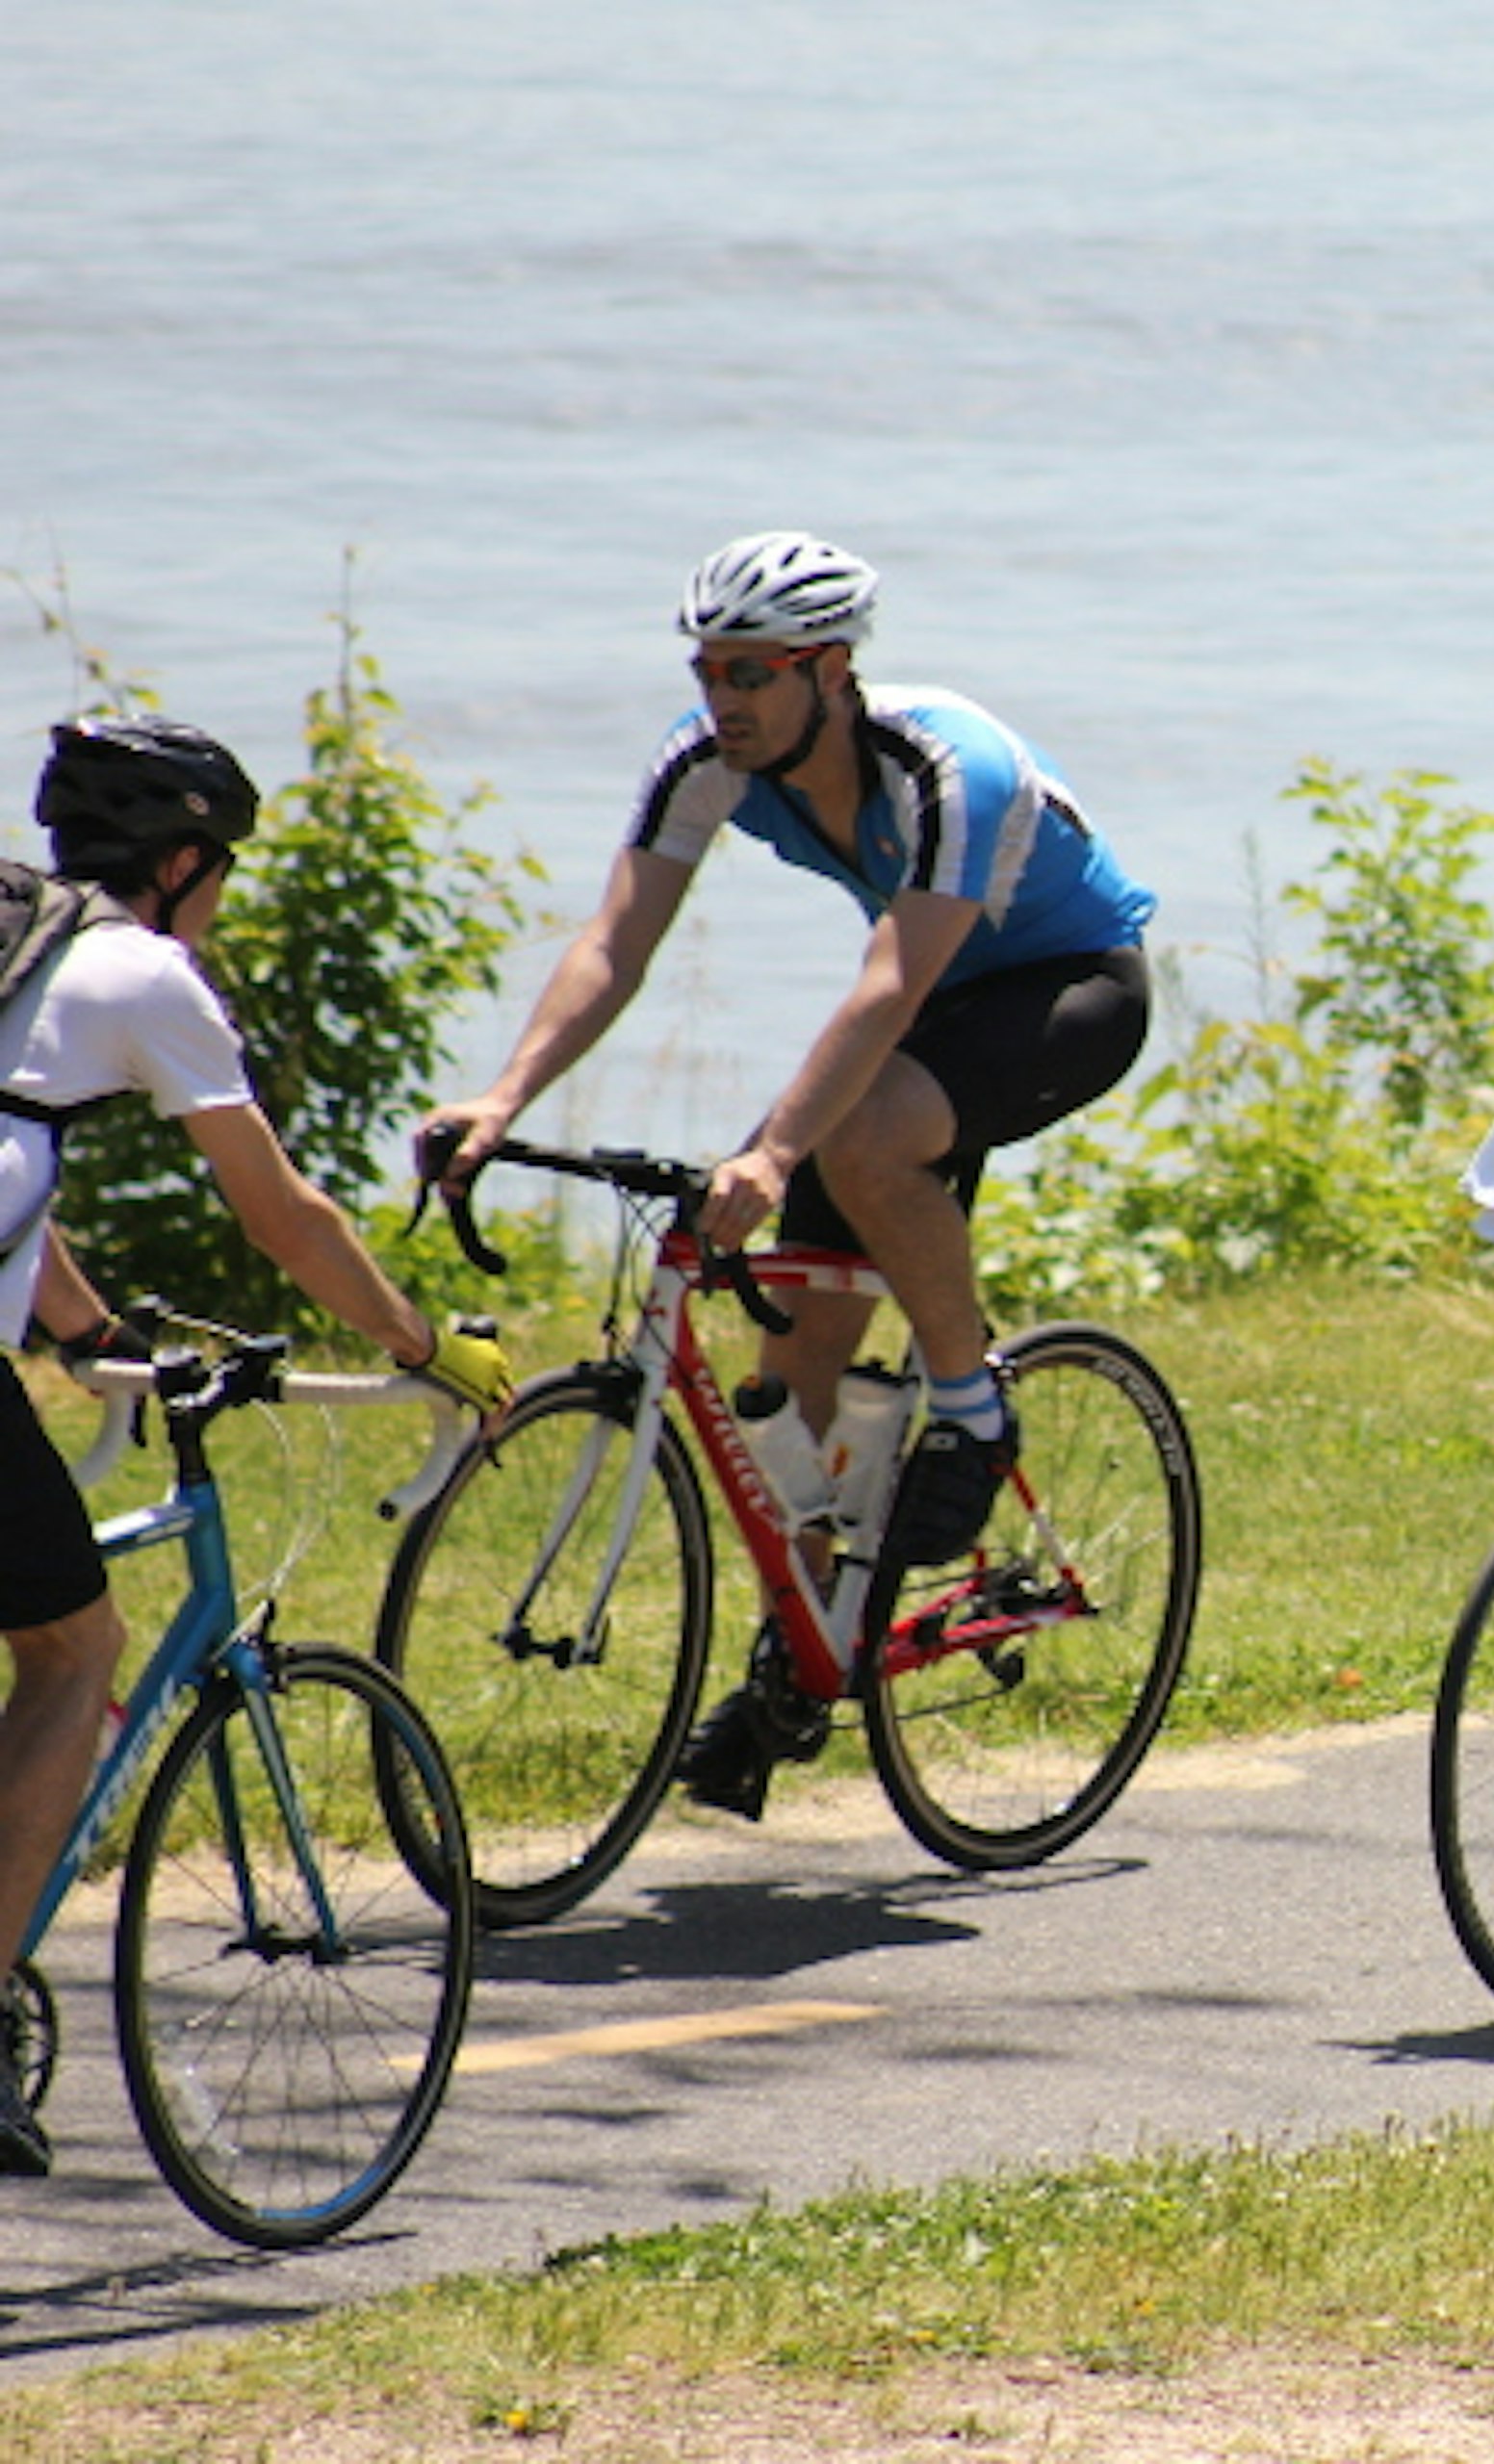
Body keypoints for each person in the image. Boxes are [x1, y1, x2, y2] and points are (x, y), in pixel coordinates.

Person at [419, 532, 1157, 1819]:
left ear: (829, 670)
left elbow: (891, 981)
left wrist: (771, 1149)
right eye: (709, 671)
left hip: (1065, 986)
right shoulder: (706, 764)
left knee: (858, 1143)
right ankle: (802, 1661)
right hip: (925, 1010)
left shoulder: (948, 764)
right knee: (786, 1384)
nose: (723, 700)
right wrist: (503, 1095)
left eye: (751, 673)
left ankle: (975, 1416)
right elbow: (616, 942)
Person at [1, 715, 514, 2178]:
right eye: (217, 870)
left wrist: (84, 1330)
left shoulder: (11, 943)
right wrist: (422, 1348)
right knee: (69, 1653)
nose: (217, 897)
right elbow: (283, 1215)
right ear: (177, 863)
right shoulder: (144, 975)